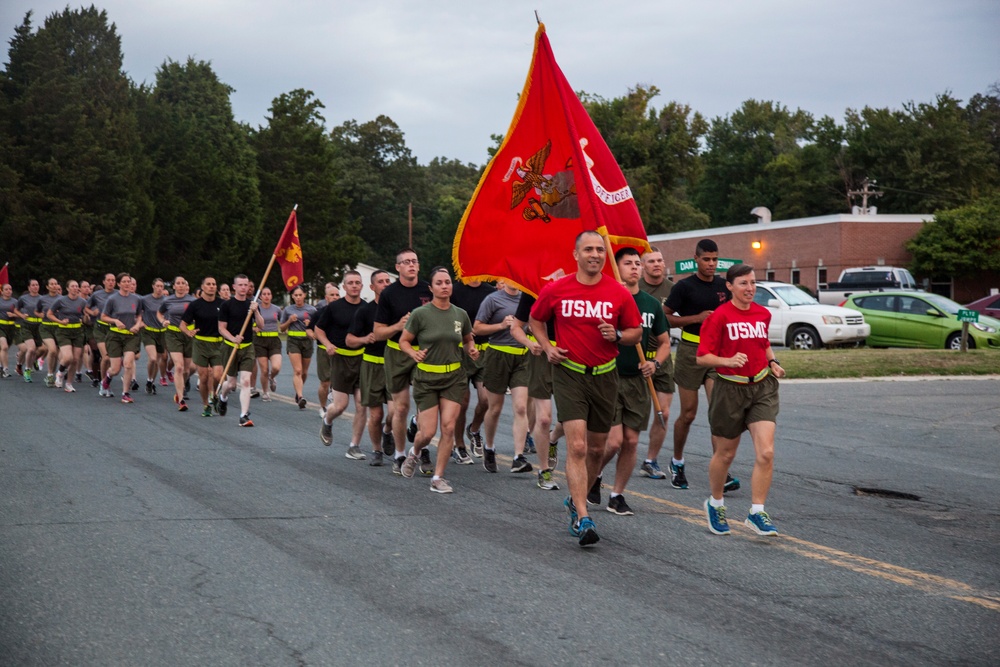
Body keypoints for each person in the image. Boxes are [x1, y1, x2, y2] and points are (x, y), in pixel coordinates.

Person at [529, 230, 642, 547]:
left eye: (600, 249)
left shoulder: (617, 292)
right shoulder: (557, 289)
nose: (595, 254)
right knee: (577, 447)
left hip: (606, 376)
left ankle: (574, 500)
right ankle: (583, 515)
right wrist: (547, 347)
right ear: (576, 254)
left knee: (596, 449)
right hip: (569, 373)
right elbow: (536, 319)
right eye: (588, 249)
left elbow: (635, 332)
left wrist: (617, 335)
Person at [696, 263, 784, 536]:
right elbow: (702, 357)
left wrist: (773, 362)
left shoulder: (762, 313)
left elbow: (763, 342)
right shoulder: (719, 317)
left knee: (766, 452)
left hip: (761, 386)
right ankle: (716, 503)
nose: (750, 288)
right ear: (730, 286)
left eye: (753, 283)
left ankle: (757, 512)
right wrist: (727, 360)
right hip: (729, 389)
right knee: (725, 454)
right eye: (744, 283)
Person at [590, 248, 672, 516]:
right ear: (616, 268)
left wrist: (655, 363)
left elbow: (664, 343)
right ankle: (595, 476)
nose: (635, 268)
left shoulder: (650, 304)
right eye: (628, 263)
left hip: (638, 380)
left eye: (638, 263)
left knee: (632, 442)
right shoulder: (607, 299)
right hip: (609, 376)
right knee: (612, 442)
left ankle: (617, 495)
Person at [663, 239, 740, 493]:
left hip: (716, 354)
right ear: (695, 258)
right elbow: (666, 317)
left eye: (715, 259)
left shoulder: (723, 286)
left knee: (717, 413)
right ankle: (677, 462)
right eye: (706, 259)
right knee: (688, 414)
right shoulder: (684, 287)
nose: (711, 264)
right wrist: (696, 318)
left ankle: (722, 470)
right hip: (689, 351)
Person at [398, 267, 480, 493]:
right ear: (431, 288)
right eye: (440, 283)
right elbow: (404, 341)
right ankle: (414, 453)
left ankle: (437, 477)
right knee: (427, 433)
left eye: (448, 282)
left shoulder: (460, 314)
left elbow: (467, 339)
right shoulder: (420, 314)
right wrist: (413, 353)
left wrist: (471, 349)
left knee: (449, 427)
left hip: (454, 377)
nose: (445, 286)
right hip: (426, 378)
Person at [374, 249, 432, 475]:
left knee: (424, 406)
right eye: (406, 262)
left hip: (424, 352)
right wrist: (398, 326)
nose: (411, 265)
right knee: (401, 407)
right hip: (397, 352)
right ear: (397, 267)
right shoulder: (389, 294)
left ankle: (422, 449)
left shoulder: (428, 289)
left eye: (415, 261)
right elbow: (378, 333)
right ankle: (399, 454)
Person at [473, 281, 532, 474]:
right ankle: (489, 447)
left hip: (521, 356)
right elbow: (477, 328)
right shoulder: (493, 299)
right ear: (504, 279)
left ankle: (518, 457)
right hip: (497, 355)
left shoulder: (528, 299)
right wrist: (501, 325)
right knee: (495, 408)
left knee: (521, 407)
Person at [511, 292, 566, 491]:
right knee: (543, 419)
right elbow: (516, 327)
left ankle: (552, 439)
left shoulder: (576, 285)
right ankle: (544, 471)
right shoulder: (532, 289)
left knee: (571, 417)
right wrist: (529, 343)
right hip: (541, 355)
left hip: (571, 354)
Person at [346, 269, 395, 466]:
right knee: (376, 415)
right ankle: (377, 451)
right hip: (372, 365)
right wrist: (364, 338)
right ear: (372, 287)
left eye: (388, 281)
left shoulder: (397, 309)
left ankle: (388, 431)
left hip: (394, 365)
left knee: (395, 411)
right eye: (381, 282)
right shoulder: (365, 311)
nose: (385, 284)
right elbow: (349, 340)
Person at [317, 271, 368, 458]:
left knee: (362, 405)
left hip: (362, 359)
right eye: (350, 283)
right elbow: (318, 329)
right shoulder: (334, 307)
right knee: (340, 406)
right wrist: (328, 344)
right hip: (340, 358)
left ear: (362, 286)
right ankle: (328, 421)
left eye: (357, 282)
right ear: (344, 287)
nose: (354, 286)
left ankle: (354, 446)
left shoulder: (367, 308)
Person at [637, 249, 677, 480]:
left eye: (660, 260)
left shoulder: (672, 290)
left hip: (661, 358)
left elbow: (679, 317)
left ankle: (650, 460)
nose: (657, 264)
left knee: (664, 412)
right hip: (636, 359)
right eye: (651, 261)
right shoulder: (635, 288)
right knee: (632, 413)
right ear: (643, 265)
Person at [450, 278, 493, 463]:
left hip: (484, 351)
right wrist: (465, 332)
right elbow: (447, 316)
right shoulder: (455, 290)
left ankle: (473, 429)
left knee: (486, 400)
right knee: (463, 402)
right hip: (461, 351)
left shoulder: (489, 291)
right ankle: (458, 444)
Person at [217, 274, 265, 427]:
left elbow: (261, 325)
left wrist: (256, 311)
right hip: (230, 347)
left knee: (245, 381)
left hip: (247, 347)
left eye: (247, 285)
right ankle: (223, 398)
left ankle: (243, 415)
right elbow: (221, 328)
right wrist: (233, 339)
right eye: (241, 285)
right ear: (235, 287)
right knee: (230, 384)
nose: (245, 288)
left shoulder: (252, 305)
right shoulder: (227, 305)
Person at [181, 276, 225, 417]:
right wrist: (189, 332)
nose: (212, 286)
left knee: (218, 375)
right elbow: (182, 324)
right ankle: (206, 404)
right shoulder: (195, 305)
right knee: (204, 377)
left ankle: (216, 395)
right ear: (203, 287)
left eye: (214, 284)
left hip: (218, 343)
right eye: (208, 284)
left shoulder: (223, 304)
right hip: (200, 343)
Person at [100, 273, 145, 403]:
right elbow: (103, 317)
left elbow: (139, 316)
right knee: (115, 369)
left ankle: (125, 393)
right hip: (115, 336)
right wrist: (115, 321)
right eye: (124, 282)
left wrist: (137, 325)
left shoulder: (136, 299)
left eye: (129, 282)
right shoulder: (112, 299)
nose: (127, 284)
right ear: (119, 284)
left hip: (131, 336)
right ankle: (107, 379)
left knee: (128, 364)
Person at [158, 275, 196, 411]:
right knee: (178, 367)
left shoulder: (193, 301)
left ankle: (181, 387)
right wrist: (163, 321)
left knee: (187, 369)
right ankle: (181, 399)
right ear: (174, 286)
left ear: (186, 286)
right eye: (178, 283)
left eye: (183, 283)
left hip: (189, 334)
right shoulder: (168, 300)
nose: (180, 285)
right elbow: (159, 313)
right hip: (173, 333)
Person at [47, 279, 88, 392]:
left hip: (78, 332)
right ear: (68, 288)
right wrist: (59, 321)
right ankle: (60, 372)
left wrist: (86, 318)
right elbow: (49, 314)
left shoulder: (83, 302)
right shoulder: (60, 300)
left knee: (75, 360)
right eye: (73, 286)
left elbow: (85, 318)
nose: (75, 288)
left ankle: (69, 384)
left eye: (76, 286)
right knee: (68, 357)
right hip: (63, 331)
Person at [280, 285, 316, 409]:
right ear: (292, 296)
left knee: (304, 372)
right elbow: (282, 328)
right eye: (296, 295)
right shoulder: (288, 310)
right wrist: (289, 321)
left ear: (305, 295)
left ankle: (298, 391)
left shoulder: (312, 310)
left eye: (300, 295)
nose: (298, 297)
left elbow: (317, 327)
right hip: (293, 341)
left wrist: (310, 324)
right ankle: (300, 397)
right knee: (298, 370)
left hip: (307, 341)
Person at [311, 282, 341, 411]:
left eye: (337, 295)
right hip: (323, 350)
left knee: (337, 382)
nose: (335, 297)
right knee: (325, 381)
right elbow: (309, 328)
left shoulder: (344, 312)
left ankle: (335, 404)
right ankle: (323, 407)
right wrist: (314, 335)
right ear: (326, 297)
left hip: (339, 351)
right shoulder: (319, 313)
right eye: (332, 295)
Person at [86, 273, 117, 388]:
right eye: (108, 280)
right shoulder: (97, 295)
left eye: (113, 280)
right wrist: (91, 313)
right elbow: (86, 308)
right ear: (104, 282)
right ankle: (103, 382)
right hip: (100, 328)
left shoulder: (119, 294)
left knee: (111, 359)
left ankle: (105, 378)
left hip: (114, 328)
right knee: (106, 356)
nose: (111, 282)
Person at [253, 286, 283, 402]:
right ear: (260, 297)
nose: (266, 296)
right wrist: (254, 328)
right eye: (264, 294)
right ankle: (266, 392)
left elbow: (283, 322)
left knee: (276, 367)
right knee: (264, 369)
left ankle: (272, 377)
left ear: (271, 296)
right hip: (260, 341)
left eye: (269, 294)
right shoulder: (256, 308)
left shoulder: (276, 309)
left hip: (274, 340)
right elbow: (249, 323)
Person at [140, 278, 169, 395]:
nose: (159, 288)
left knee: (157, 360)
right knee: (152, 358)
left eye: (161, 286)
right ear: (153, 286)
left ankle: (150, 381)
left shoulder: (167, 301)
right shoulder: (145, 299)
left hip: (162, 332)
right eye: (157, 286)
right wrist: (140, 322)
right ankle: (149, 379)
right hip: (148, 331)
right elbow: (137, 313)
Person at [13, 279, 43, 382]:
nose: (35, 287)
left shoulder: (42, 299)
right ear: (29, 287)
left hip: (39, 326)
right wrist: (22, 315)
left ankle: (28, 362)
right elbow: (15, 310)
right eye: (33, 285)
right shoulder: (23, 298)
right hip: (27, 326)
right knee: (31, 349)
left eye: (37, 285)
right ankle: (27, 370)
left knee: (40, 349)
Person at [36, 277, 62, 387]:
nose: (54, 286)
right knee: (52, 350)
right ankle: (50, 374)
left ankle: (53, 373)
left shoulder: (62, 299)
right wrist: (40, 315)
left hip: (59, 328)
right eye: (51, 284)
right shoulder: (42, 299)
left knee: (56, 353)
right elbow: (36, 311)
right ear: (47, 286)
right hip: (46, 327)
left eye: (55, 284)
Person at [0, 282, 19, 378]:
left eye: (10, 289)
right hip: (0, 326)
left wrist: (14, 315)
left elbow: (22, 315)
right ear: (2, 291)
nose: (8, 291)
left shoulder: (15, 302)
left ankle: (0, 365)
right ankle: (5, 369)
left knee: (4, 347)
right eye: (6, 289)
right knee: (4, 347)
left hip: (11, 328)